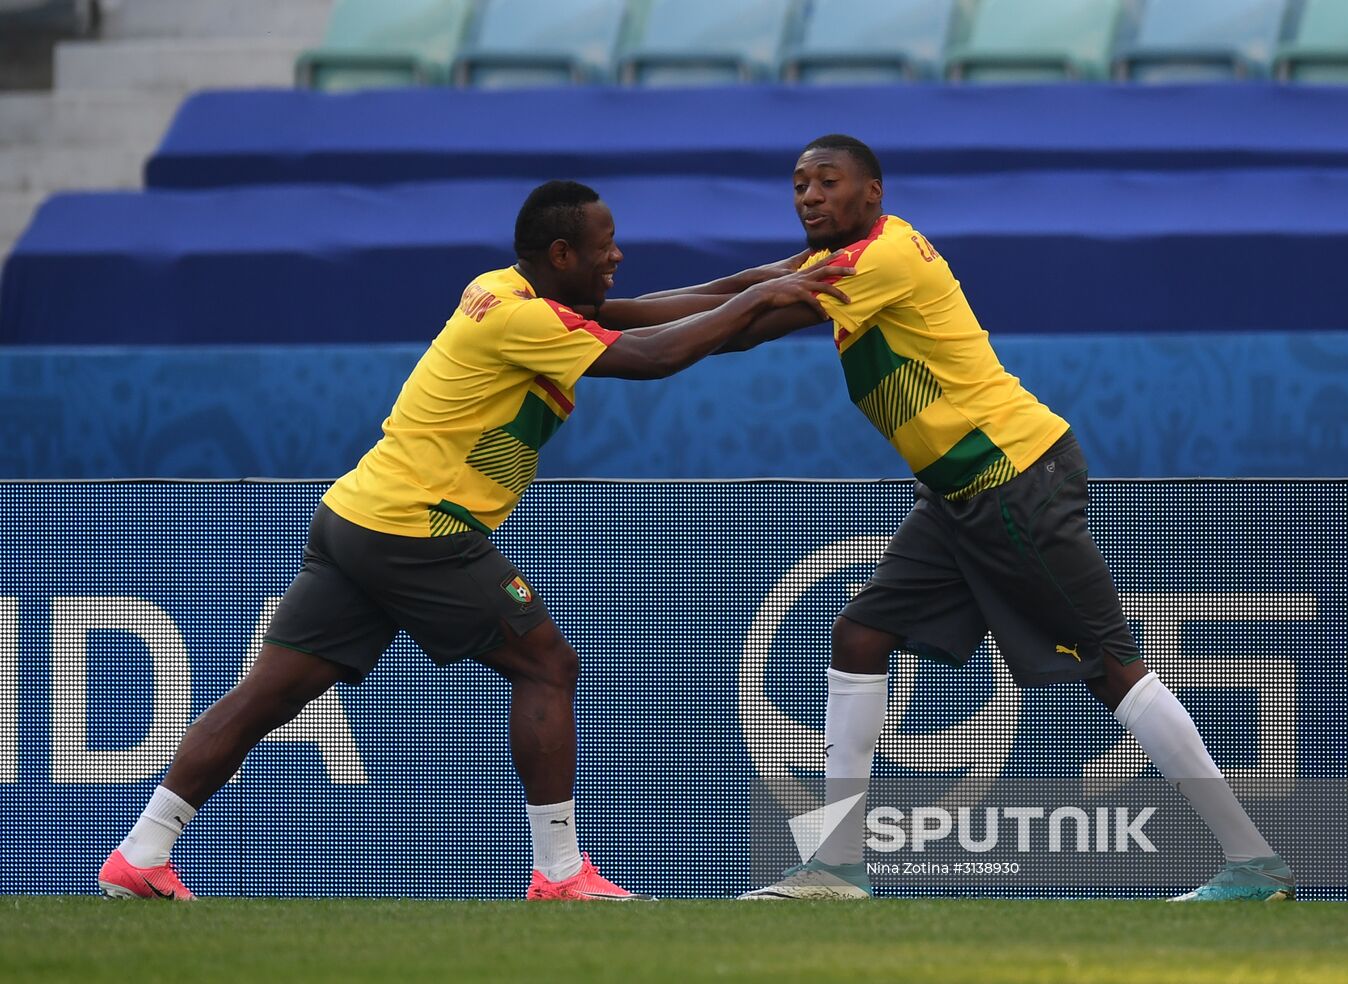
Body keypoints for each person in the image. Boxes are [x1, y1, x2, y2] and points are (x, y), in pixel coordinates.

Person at [97, 180, 848, 902]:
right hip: (419, 530)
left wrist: (783, 274)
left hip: (359, 516)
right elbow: (654, 354)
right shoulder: (525, 320)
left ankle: (139, 854)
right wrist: (761, 296)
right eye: (605, 245)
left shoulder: (512, 291)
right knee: (547, 664)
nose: (617, 256)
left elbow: (650, 313)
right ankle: (559, 874)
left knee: (270, 694)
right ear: (561, 254)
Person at [712, 135, 1294, 902]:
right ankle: (836, 866)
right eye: (799, 184)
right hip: (957, 497)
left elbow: (744, 317)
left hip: (1015, 481)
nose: (810, 196)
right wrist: (598, 317)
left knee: (1113, 668)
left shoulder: (882, 258)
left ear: (872, 194)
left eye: (828, 182)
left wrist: (611, 342)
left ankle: (1253, 861)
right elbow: (743, 288)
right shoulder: (838, 266)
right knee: (859, 635)